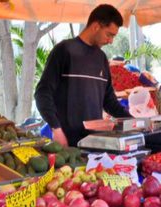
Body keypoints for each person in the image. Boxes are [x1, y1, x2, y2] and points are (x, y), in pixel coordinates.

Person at [34, 4, 132, 147]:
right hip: (67, 144)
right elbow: (42, 93)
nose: (111, 41)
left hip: (95, 142)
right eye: (109, 34)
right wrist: (56, 129)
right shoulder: (64, 50)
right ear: (96, 26)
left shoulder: (102, 58)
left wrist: (135, 123)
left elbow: (109, 101)